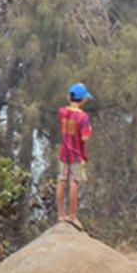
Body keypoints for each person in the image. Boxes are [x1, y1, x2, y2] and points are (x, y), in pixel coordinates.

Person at [56, 82, 93, 228]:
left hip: (64, 153)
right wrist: (89, 130)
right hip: (77, 155)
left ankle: (60, 214)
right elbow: (85, 137)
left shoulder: (61, 112)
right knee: (74, 183)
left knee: (61, 181)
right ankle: (72, 215)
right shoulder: (83, 117)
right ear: (83, 99)